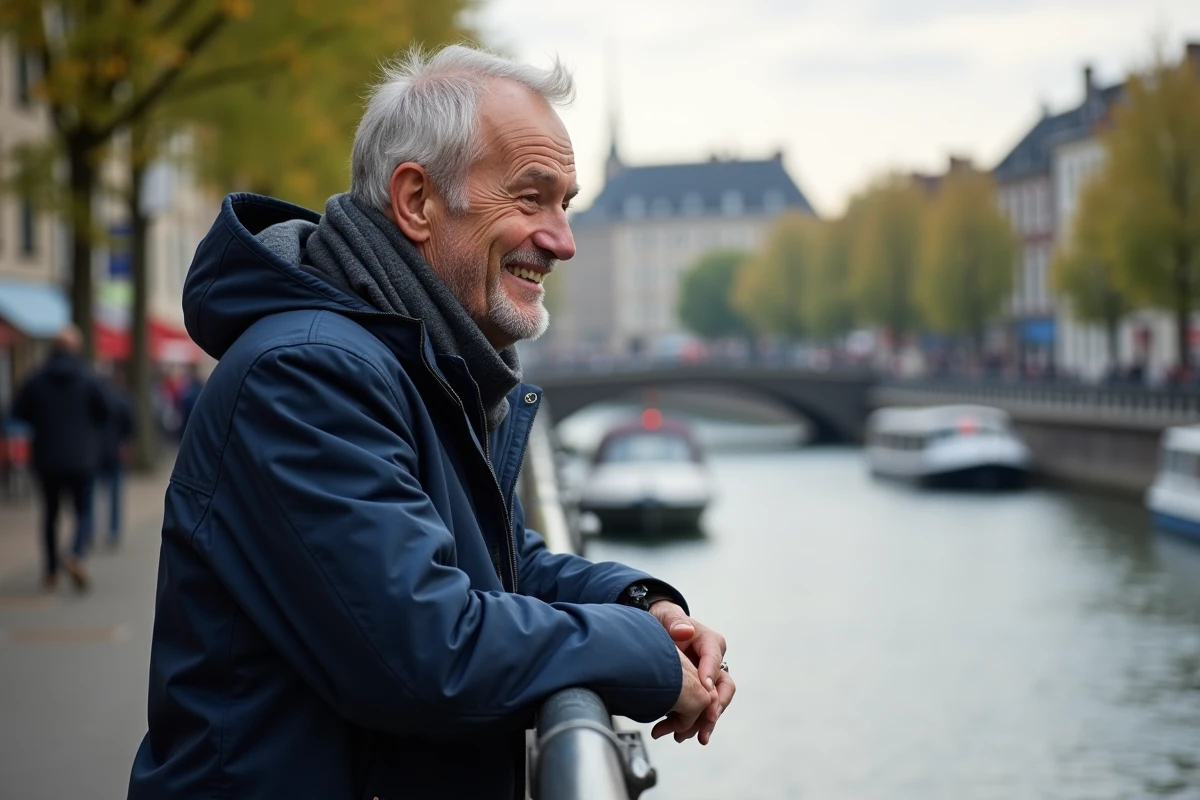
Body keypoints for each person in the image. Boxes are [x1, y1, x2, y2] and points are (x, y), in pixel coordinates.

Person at [129, 45, 734, 800]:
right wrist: (640, 656)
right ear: (417, 200)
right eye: (531, 199)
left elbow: (501, 561)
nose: (563, 240)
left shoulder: (418, 362)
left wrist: (643, 605)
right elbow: (422, 651)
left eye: (566, 205)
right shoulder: (308, 374)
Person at [12, 324, 109, 590]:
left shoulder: (35, 379)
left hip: (47, 459)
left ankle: (51, 570)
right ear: (77, 348)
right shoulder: (89, 378)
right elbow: (105, 410)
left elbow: (18, 412)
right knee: (83, 511)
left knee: (50, 514)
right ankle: (75, 553)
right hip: (81, 458)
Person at [96, 368, 135, 548]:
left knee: (93, 494)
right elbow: (131, 423)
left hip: (98, 452)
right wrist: (127, 443)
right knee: (115, 494)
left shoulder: (97, 398)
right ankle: (114, 531)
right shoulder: (124, 399)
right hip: (116, 451)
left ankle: (90, 531)